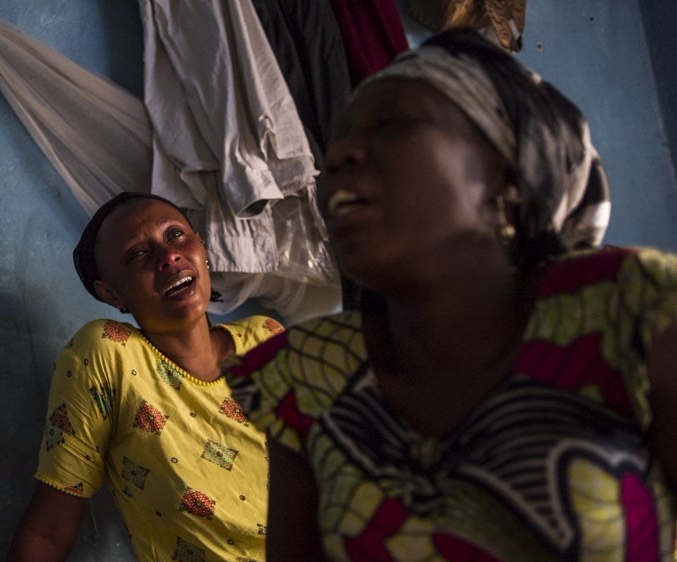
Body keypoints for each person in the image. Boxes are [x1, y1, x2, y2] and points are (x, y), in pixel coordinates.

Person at [225, 28, 677, 561]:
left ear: (505, 175)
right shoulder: (306, 375)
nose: (341, 153)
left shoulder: (632, 309)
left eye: (392, 125)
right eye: (339, 139)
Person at [9, 192, 284, 561]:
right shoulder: (108, 354)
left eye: (175, 236)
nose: (169, 256)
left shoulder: (266, 337)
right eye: (137, 254)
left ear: (201, 247)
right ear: (111, 293)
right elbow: (48, 532)